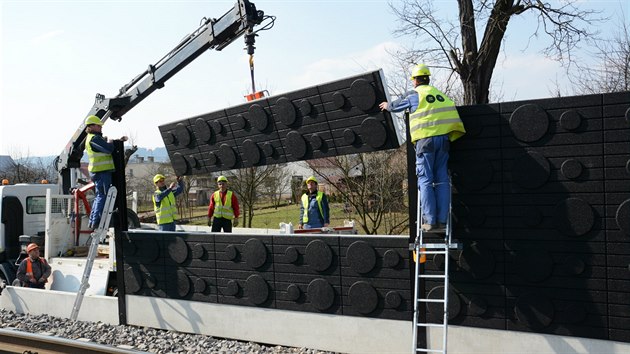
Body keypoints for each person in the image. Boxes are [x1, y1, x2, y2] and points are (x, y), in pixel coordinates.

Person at [379, 64, 465, 232]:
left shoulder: (416, 94)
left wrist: (387, 106)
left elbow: (397, 106)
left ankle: (430, 221)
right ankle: (442, 220)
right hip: (444, 141)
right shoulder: (439, 95)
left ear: (415, 80)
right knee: (441, 179)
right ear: (428, 78)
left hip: (426, 142)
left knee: (425, 179)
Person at [84, 115, 127, 230]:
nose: (100, 127)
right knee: (102, 196)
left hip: (100, 172)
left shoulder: (93, 138)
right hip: (101, 172)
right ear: (91, 126)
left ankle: (93, 221)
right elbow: (109, 149)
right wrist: (111, 142)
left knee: (99, 196)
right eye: (98, 125)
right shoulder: (94, 139)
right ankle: (96, 221)